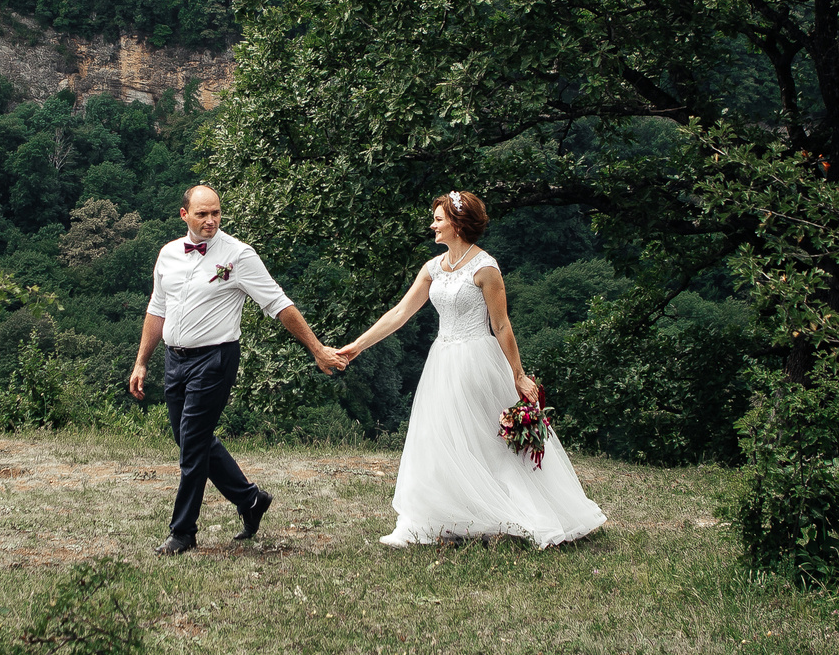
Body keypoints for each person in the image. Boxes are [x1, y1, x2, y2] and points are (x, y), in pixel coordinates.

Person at [333, 190, 605, 548]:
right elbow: (399, 314)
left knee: (484, 442)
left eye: (439, 218)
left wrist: (519, 375)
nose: (433, 224)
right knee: (437, 437)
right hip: (442, 361)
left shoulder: (486, 268)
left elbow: (502, 326)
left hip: (477, 361)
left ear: (458, 225)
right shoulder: (433, 268)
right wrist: (355, 347)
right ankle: (431, 520)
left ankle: (511, 514)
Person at [128, 184, 346, 555]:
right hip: (174, 359)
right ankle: (251, 500)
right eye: (202, 214)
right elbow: (157, 309)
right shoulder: (167, 255)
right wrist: (141, 361)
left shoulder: (239, 256)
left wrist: (317, 349)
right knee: (188, 439)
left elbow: (279, 303)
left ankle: (183, 532)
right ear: (185, 215)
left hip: (215, 359)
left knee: (193, 444)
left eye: (216, 213)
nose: (211, 220)